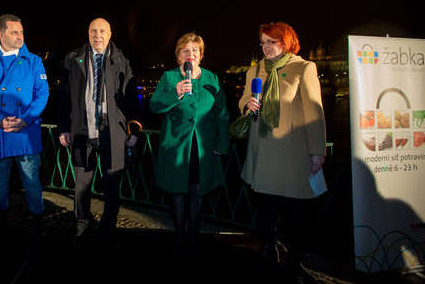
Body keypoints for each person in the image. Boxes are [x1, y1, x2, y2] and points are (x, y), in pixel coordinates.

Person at [238, 22, 326, 276]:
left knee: (293, 212)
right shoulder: (254, 69)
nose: (265, 47)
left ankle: (295, 259)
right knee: (265, 208)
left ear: (285, 42)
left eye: (271, 41)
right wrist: (247, 106)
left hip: (292, 153)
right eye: (263, 42)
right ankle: (269, 251)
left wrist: (318, 150)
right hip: (262, 151)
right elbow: (244, 99)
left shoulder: (303, 68)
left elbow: (315, 111)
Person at [57, 18, 140, 249]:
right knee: (81, 186)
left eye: (102, 30)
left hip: (112, 132)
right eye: (93, 30)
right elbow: (63, 95)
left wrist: (135, 128)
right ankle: (82, 227)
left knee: (112, 186)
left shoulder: (121, 59)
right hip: (82, 131)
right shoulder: (73, 58)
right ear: (88, 33)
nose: (98, 35)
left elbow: (131, 95)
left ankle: (107, 229)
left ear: (110, 33)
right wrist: (63, 127)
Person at [0, 14, 49, 254]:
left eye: (22, 32)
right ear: (1, 34)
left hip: (25, 133)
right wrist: (0, 119)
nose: (20, 37)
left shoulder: (34, 61)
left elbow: (42, 94)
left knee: (32, 183)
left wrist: (24, 120)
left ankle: (36, 226)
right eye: (14, 32)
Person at [150, 33, 229, 257]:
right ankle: (178, 236)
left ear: (201, 55)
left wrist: (222, 144)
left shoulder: (212, 78)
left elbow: (221, 114)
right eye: (185, 50)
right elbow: (155, 106)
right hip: (176, 145)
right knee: (177, 192)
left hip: (203, 146)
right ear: (178, 56)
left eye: (195, 50)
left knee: (197, 191)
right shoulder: (169, 77)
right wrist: (175, 93)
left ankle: (193, 236)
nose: (190, 54)